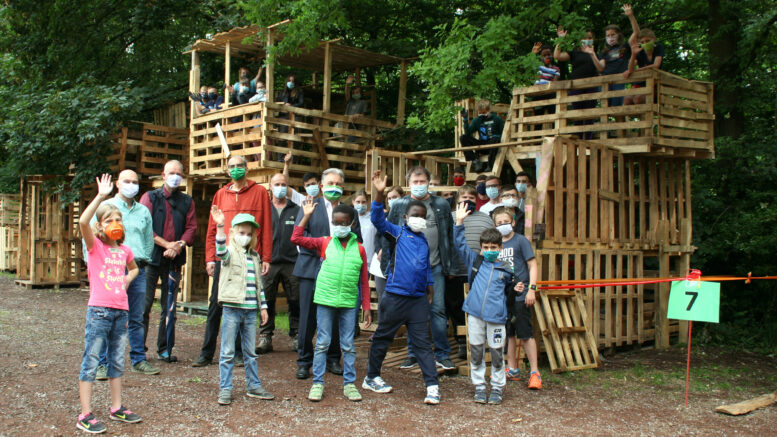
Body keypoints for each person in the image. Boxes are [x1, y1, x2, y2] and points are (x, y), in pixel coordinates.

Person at [363, 170, 440, 405]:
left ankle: (432, 386)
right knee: (383, 338)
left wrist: (430, 287)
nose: (418, 218)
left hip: (417, 300)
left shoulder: (424, 241)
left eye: (422, 216)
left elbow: (425, 267)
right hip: (395, 297)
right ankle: (371, 376)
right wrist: (378, 193)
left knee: (422, 344)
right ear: (405, 218)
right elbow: (377, 219)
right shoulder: (397, 233)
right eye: (414, 215)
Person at [77, 174, 142, 434]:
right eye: (109, 220)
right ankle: (85, 414)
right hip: (99, 312)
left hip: (120, 312)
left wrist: (127, 278)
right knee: (91, 360)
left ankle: (116, 408)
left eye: (118, 219)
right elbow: (83, 221)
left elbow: (135, 269)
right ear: (100, 226)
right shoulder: (95, 248)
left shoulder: (124, 251)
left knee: (116, 360)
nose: (114, 223)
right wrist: (101, 197)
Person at [193, 155, 273, 368]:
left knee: (243, 304)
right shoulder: (220, 194)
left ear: (247, 169)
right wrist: (210, 258)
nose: (236, 169)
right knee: (215, 303)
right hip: (225, 257)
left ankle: (238, 353)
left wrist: (267, 257)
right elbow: (212, 228)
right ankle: (206, 352)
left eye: (240, 165)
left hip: (249, 257)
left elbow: (266, 225)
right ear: (227, 171)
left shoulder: (260, 192)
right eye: (232, 166)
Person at [291, 201, 372, 402]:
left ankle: (350, 384)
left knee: (348, 344)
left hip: (348, 303)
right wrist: (307, 215)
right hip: (325, 300)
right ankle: (318, 383)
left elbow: (363, 280)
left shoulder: (360, 249)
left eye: (343, 223)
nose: (339, 226)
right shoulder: (324, 242)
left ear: (352, 224)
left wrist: (367, 306)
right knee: (322, 343)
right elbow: (296, 238)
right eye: (336, 222)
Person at [85, 170, 158, 379]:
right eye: (127, 181)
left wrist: (142, 259)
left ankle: (138, 359)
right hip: (109, 269)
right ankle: (102, 364)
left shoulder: (143, 211)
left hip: (137, 269)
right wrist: (92, 264)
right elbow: (87, 236)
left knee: (138, 316)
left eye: (135, 182)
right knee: (106, 316)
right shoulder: (105, 207)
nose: (131, 184)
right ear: (118, 183)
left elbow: (148, 239)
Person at [292, 168, 362, 380]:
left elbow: (356, 240)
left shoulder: (350, 211)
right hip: (310, 267)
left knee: (335, 314)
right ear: (322, 186)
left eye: (339, 184)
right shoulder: (309, 206)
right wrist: (322, 247)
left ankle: (333, 358)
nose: (334, 187)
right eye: (330, 183)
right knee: (308, 316)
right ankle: (304, 360)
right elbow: (299, 234)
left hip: (338, 271)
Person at [385, 166, 455, 371]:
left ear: (428, 182)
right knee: (411, 312)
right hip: (408, 270)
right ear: (409, 184)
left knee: (438, 311)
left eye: (422, 181)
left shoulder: (440, 204)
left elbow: (448, 236)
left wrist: (448, 264)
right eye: (414, 182)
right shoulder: (399, 205)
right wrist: (388, 262)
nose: (419, 185)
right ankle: (413, 354)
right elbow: (387, 236)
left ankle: (442, 354)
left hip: (434, 266)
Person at [454, 203, 520, 405]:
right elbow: (459, 244)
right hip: (475, 314)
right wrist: (459, 222)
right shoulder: (476, 260)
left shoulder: (507, 268)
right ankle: (479, 386)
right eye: (486, 247)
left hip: (497, 318)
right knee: (476, 351)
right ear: (481, 248)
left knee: (498, 353)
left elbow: (514, 287)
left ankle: (498, 387)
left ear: (500, 247)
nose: (489, 250)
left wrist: (519, 288)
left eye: (493, 247)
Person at [210, 209, 274, 405]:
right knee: (228, 351)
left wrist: (263, 307)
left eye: (248, 234)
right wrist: (220, 225)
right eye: (241, 233)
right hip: (231, 308)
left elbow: (258, 285)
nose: (244, 237)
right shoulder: (228, 252)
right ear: (233, 233)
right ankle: (226, 388)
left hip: (250, 310)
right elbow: (220, 250)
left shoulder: (254, 256)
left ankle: (253, 385)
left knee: (250, 352)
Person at [139, 160, 196, 364]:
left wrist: (178, 245)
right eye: (171, 172)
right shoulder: (150, 197)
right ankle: (139, 350)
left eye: (179, 173)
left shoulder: (187, 201)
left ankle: (164, 348)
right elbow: (144, 227)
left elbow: (191, 228)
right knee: (144, 306)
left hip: (174, 261)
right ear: (163, 175)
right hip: (150, 259)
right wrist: (166, 245)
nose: (175, 176)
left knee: (169, 306)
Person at [491, 207, 541, 389]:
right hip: (505, 297)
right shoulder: (496, 244)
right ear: (494, 226)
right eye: (499, 223)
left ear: (513, 222)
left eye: (506, 222)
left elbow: (532, 264)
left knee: (525, 334)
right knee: (508, 333)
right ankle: (512, 368)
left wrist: (531, 289)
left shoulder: (521, 241)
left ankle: (535, 372)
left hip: (521, 295)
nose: (503, 225)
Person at [445, 184, 495, 360]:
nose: (467, 200)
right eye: (463, 198)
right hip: (455, 272)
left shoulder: (486, 219)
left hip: (479, 271)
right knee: (456, 307)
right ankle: (461, 342)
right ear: (457, 200)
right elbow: (445, 244)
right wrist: (449, 267)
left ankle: (481, 343)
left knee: (479, 308)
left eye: (471, 198)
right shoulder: (450, 217)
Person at [257, 172, 302, 354]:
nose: (280, 187)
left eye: (283, 184)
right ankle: (265, 336)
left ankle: (297, 335)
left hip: (292, 261)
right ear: (270, 186)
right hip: (269, 262)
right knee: (267, 299)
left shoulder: (296, 209)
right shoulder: (264, 208)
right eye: (277, 184)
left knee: (296, 299)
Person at [587, 4, 639, 108]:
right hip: (606, 81)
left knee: (617, 108)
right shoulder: (604, 52)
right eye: (608, 35)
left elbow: (636, 32)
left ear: (619, 35)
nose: (610, 37)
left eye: (612, 34)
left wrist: (631, 16)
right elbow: (600, 68)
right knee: (605, 108)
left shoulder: (625, 46)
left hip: (620, 79)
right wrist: (592, 55)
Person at [555, 27, 600, 138]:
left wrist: (592, 54)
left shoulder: (595, 53)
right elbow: (557, 56)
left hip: (591, 86)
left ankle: (588, 139)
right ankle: (578, 140)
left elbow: (600, 68)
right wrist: (560, 40)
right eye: (584, 37)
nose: (587, 40)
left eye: (589, 38)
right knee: (577, 114)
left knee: (589, 115)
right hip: (576, 87)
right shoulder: (574, 52)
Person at [373, 186, 405, 304]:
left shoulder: (408, 216)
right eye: (389, 198)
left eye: (395, 197)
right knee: (383, 298)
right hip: (382, 261)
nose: (392, 200)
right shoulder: (384, 217)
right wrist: (379, 249)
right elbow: (377, 236)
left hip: (401, 264)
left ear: (402, 197)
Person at [459, 100, 504, 173]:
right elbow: (468, 133)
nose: (482, 114)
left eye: (484, 112)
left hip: (493, 146)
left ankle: (490, 165)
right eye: (480, 113)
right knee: (463, 138)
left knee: (495, 138)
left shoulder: (497, 119)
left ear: (489, 110)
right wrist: (465, 120)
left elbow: (502, 133)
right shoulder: (477, 120)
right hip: (482, 145)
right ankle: (475, 161)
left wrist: (497, 136)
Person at [624, 26, 664, 105]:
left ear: (654, 39)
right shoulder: (640, 52)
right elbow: (631, 69)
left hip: (655, 84)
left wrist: (638, 70)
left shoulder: (658, 47)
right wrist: (633, 54)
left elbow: (656, 65)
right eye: (642, 42)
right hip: (641, 82)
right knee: (626, 100)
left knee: (638, 99)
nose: (645, 44)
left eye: (647, 41)